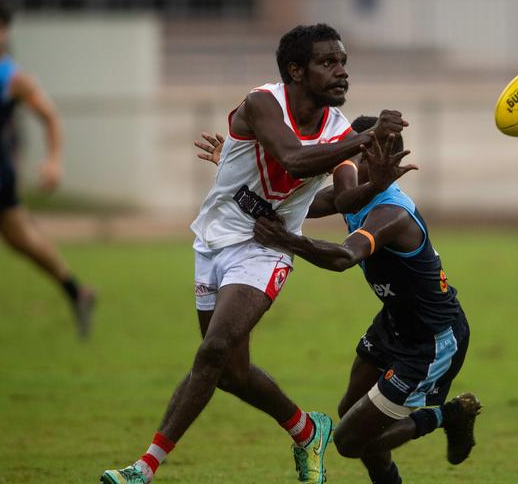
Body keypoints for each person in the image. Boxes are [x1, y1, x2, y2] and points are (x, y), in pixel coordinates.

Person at [101, 24, 414, 484]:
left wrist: (377, 182)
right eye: (328, 63)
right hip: (212, 241)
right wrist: (363, 140)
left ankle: (144, 468)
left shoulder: (338, 128)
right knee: (230, 371)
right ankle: (307, 430)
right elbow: (292, 158)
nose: (341, 72)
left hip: (268, 248)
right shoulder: (262, 103)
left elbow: (343, 198)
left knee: (213, 351)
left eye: (344, 62)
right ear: (295, 70)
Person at [252, 115, 482, 484]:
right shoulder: (352, 194)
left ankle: (447, 415)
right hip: (394, 322)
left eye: (349, 161)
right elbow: (293, 203)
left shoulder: (391, 214)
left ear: (375, 163)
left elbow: (345, 256)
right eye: (341, 162)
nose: (339, 171)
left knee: (349, 441)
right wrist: (238, 173)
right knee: (350, 410)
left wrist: (288, 240)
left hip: (431, 340)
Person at [0, 0, 95, 338]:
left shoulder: (11, 77)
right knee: (21, 240)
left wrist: (53, 161)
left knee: (21, 239)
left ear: (4, 33)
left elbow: (49, 117)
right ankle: (76, 292)